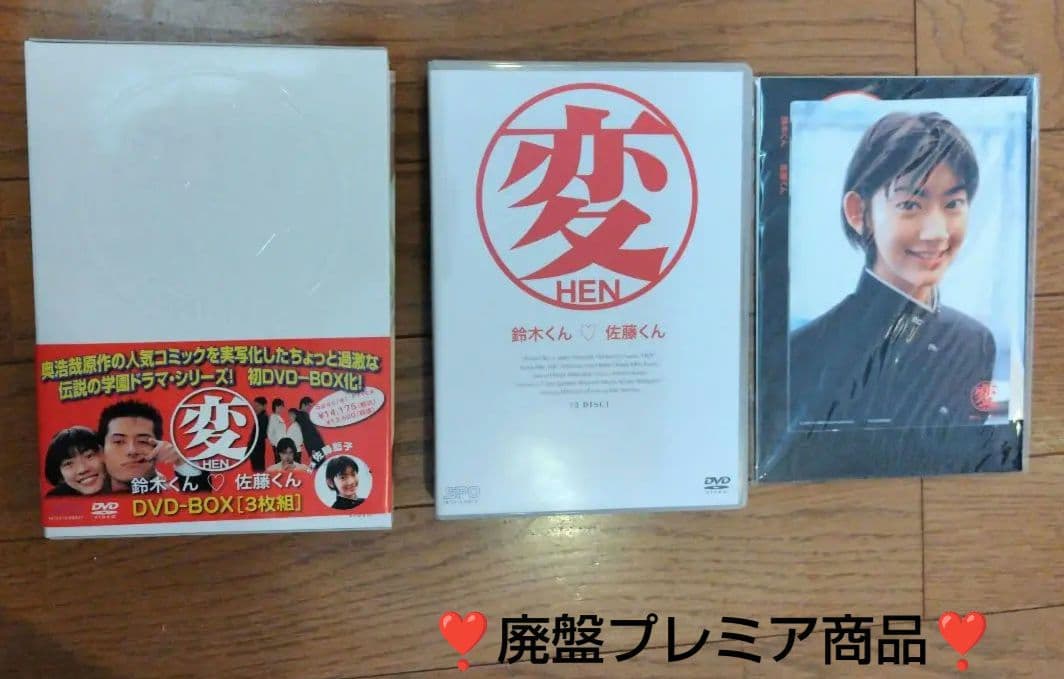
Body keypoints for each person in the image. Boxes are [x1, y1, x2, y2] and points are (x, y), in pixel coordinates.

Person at [789, 111, 995, 430]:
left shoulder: (976, 342)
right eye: (910, 205)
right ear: (859, 212)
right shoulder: (803, 352)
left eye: (953, 204)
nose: (937, 232)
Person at [97, 399, 208, 492]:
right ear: (101, 451)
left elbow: (204, 497)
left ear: (159, 446)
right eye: (119, 441)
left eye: (143, 441)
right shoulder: (89, 491)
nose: (132, 451)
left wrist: (181, 462)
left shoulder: (170, 496)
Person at [44, 426, 108, 496]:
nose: (82, 469)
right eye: (68, 463)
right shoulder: (55, 498)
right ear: (60, 475)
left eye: (89, 456)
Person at [248, 396, 270, 471]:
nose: (255, 408)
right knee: (257, 467)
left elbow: (262, 434)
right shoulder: (260, 417)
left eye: (257, 406)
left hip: (257, 447)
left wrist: (250, 448)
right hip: (257, 447)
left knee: (258, 468)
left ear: (264, 406)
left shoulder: (263, 417)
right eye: (254, 406)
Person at [267, 398, 287, 463]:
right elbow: (270, 434)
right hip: (278, 446)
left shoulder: (279, 417)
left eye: (282, 407)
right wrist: (276, 444)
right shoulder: (273, 418)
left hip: (283, 445)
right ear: (276, 406)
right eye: (280, 406)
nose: (282, 408)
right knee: (279, 463)